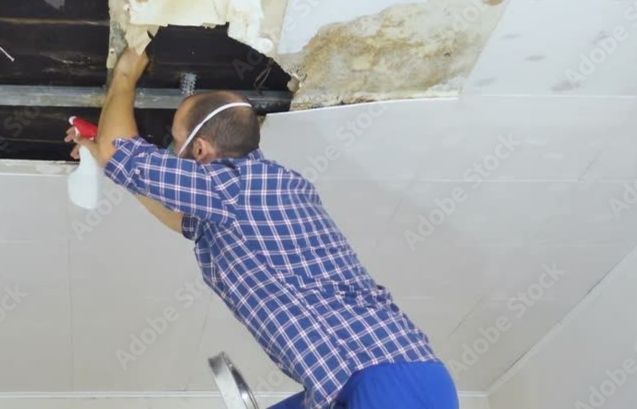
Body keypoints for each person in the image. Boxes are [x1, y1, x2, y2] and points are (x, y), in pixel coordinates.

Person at [66, 48, 459, 409]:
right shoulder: (246, 197)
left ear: (199, 151)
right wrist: (107, 160)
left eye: (176, 141)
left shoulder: (235, 187)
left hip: (384, 375)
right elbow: (179, 218)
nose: (171, 152)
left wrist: (125, 75)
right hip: (348, 382)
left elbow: (121, 151)